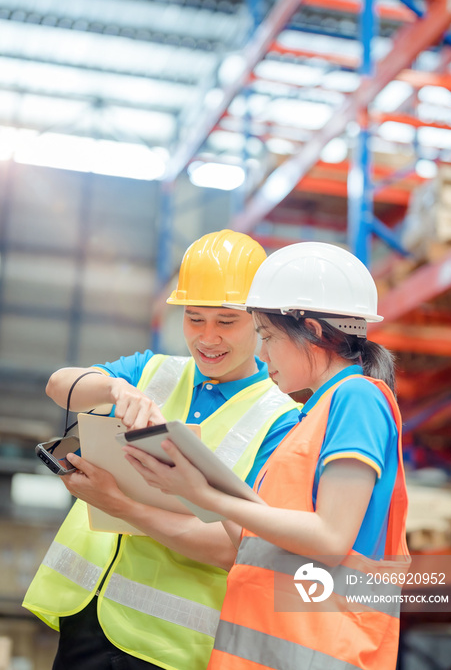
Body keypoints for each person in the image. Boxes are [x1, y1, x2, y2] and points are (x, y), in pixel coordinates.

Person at [122, 241, 411, 670]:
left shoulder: (357, 399)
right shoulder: (310, 417)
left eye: (268, 336)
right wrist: (192, 482)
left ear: (312, 330)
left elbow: (331, 537)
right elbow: (256, 541)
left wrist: (206, 496)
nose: (262, 353)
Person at [23, 229, 301, 670]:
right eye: (194, 318)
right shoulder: (150, 370)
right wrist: (114, 386)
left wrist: (120, 505)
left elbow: (241, 547)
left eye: (226, 322)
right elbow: (60, 385)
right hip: (85, 613)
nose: (207, 337)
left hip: (168, 645)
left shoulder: (282, 421)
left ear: (260, 322)